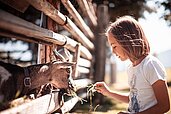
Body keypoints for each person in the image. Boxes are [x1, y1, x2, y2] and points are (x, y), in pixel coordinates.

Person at [94, 16, 170, 114]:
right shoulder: (131, 68)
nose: (113, 51)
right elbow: (134, 98)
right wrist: (108, 92)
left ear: (126, 42)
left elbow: (164, 106)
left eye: (114, 46)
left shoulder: (151, 65)